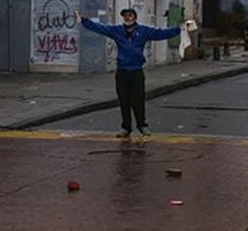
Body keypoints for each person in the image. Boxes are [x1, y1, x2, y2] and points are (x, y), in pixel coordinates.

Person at [76, 7, 183, 138]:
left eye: (130, 15)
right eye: (125, 16)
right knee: (123, 100)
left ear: (135, 18)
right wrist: (83, 20)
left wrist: (178, 29)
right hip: (122, 72)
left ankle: (142, 125)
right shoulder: (117, 31)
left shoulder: (143, 31)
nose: (127, 18)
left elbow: (160, 34)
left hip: (136, 71)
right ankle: (126, 127)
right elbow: (101, 28)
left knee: (138, 99)